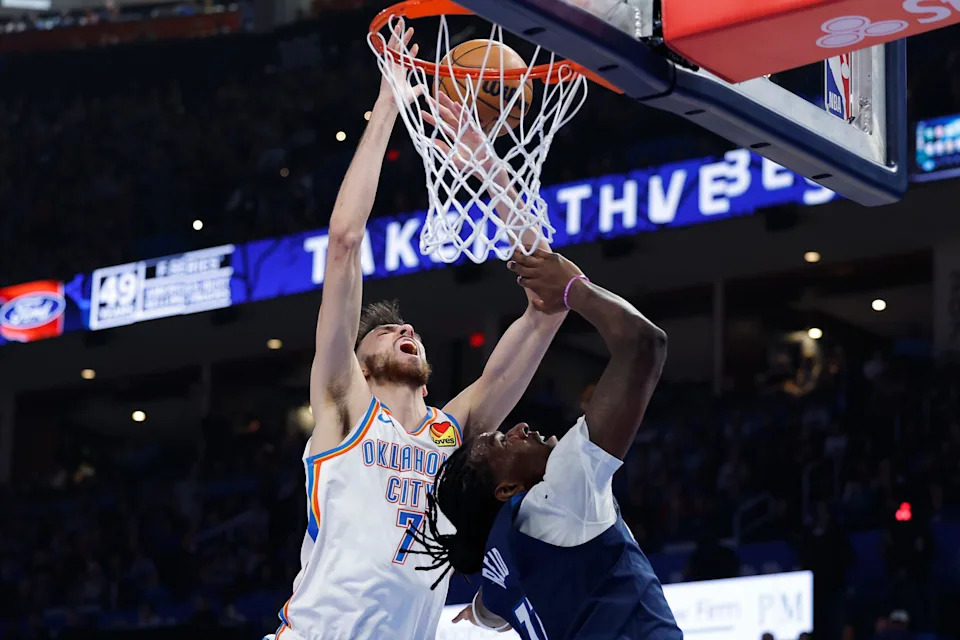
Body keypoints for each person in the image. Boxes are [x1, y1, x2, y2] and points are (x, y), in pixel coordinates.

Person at [264, 25, 569, 640]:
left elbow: (550, 302)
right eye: (381, 332)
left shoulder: (455, 434)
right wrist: (389, 108)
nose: (403, 327)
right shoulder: (342, 410)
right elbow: (346, 243)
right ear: (358, 363)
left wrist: (483, 161)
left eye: (407, 327)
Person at [412, 249, 682, 639]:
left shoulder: (498, 572)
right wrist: (574, 288)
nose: (520, 427)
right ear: (506, 489)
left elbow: (491, 609)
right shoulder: (561, 492)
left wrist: (477, 612)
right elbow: (645, 344)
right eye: (505, 441)